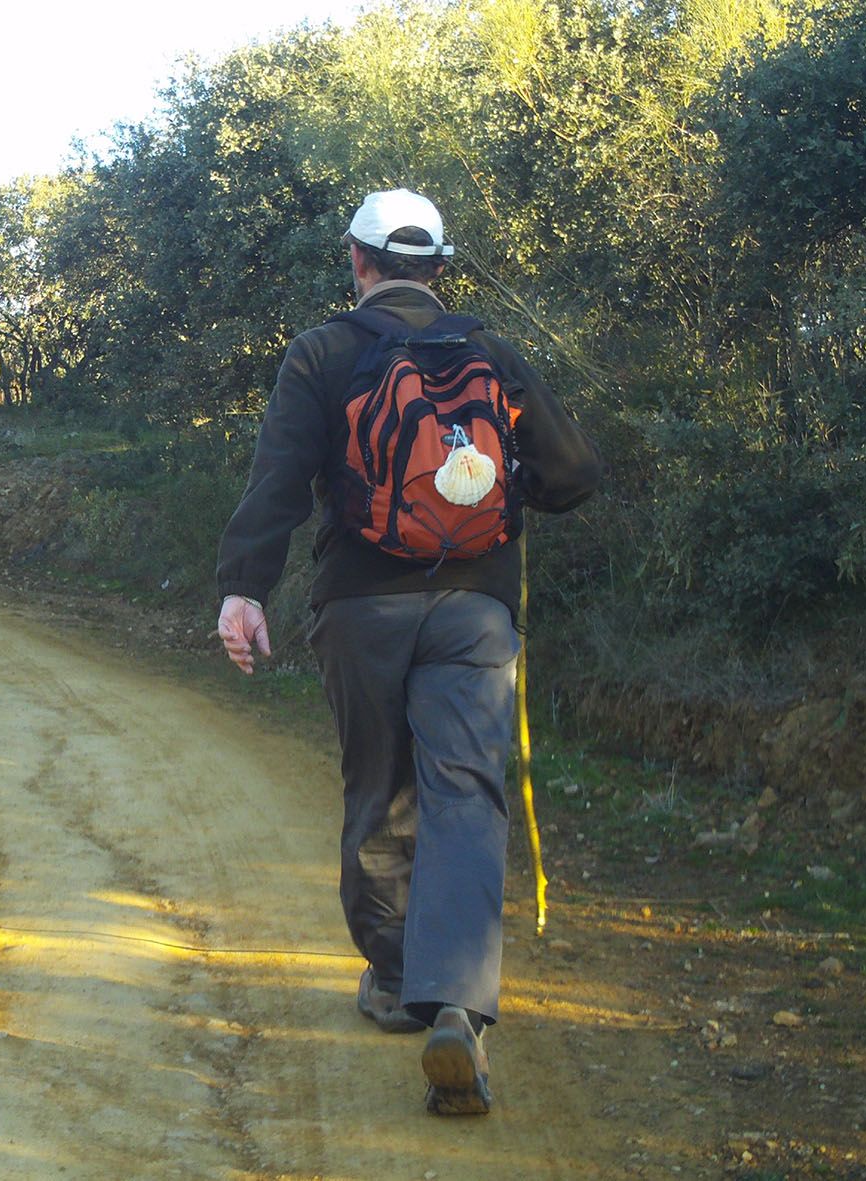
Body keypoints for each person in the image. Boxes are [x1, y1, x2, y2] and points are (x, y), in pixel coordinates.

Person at [215, 188, 603, 1115]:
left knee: (378, 787)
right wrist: (500, 495)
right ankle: (458, 1008)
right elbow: (574, 475)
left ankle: (395, 983)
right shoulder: (490, 354)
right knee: (466, 793)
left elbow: (277, 480)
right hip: (476, 608)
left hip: (359, 607)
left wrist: (243, 589)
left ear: (358, 262)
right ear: (438, 268)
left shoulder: (321, 351)